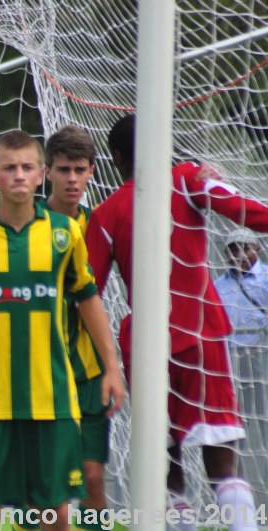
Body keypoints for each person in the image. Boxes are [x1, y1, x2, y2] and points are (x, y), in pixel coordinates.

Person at [0, 130, 125, 531]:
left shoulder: (63, 236)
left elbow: (88, 300)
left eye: (26, 167)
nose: (18, 175)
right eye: (9, 167)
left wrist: (112, 367)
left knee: (54, 517)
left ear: (39, 175)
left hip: (52, 404)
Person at [85, 114, 268, 531]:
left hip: (147, 349)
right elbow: (248, 212)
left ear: (115, 158)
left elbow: (88, 291)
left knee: (164, 463)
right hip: (201, 334)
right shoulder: (188, 179)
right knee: (221, 455)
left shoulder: (105, 213)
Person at [39, 125, 113, 531]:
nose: (71, 178)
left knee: (93, 480)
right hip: (42, 374)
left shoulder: (99, 223)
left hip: (88, 374)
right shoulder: (29, 224)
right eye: (63, 169)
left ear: (91, 171)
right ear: (47, 171)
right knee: (44, 486)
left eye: (79, 170)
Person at [213, 233, 268, 451]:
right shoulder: (218, 285)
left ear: (257, 249)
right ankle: (239, 469)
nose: (240, 254)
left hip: (261, 357)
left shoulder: (266, 279)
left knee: (264, 413)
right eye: (233, 249)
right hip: (232, 360)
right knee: (237, 415)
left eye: (246, 248)